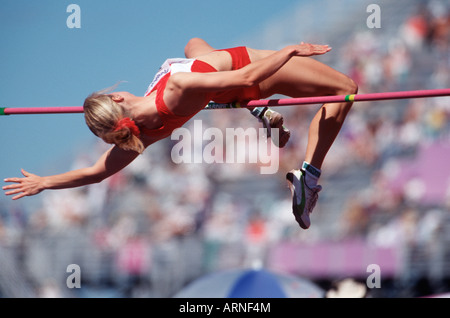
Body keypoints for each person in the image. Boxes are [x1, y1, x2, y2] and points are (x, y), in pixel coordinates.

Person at [2, 38, 357, 230]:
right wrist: (290, 50)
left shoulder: (141, 134)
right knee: (346, 89)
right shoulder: (176, 86)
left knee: (194, 44)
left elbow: (95, 173)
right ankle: (308, 175)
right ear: (116, 97)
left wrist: (45, 182)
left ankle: (256, 107)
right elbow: (247, 78)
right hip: (250, 71)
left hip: (221, 77)